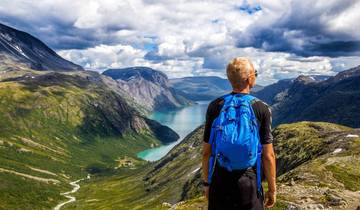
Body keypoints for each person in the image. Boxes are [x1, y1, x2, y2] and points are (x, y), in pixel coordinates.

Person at [202, 57, 276, 210]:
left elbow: (206, 153)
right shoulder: (261, 108)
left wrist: (207, 184)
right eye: (255, 73)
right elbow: (268, 155)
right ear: (250, 78)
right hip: (248, 182)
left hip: (220, 180)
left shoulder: (215, 106)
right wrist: (272, 190)